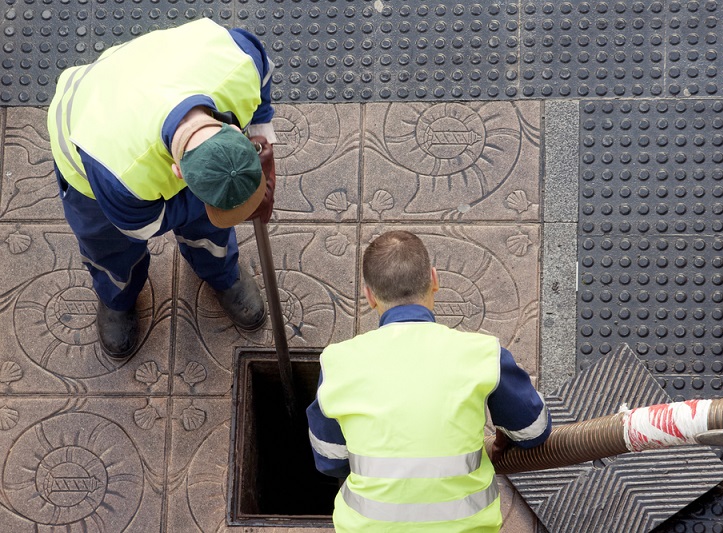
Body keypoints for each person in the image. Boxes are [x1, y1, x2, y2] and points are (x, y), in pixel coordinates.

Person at [47, 18, 278, 359]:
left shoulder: (236, 61)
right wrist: (208, 206)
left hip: (158, 75)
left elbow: (263, 77)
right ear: (177, 172)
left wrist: (262, 135)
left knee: (209, 223)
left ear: (230, 126)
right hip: (89, 146)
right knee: (113, 249)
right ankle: (118, 297)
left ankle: (221, 273)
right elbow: (141, 226)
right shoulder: (120, 171)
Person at [306, 230, 552, 532]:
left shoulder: (338, 363)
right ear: (434, 279)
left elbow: (330, 460)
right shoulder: (483, 354)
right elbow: (534, 431)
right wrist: (503, 438)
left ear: (369, 296)